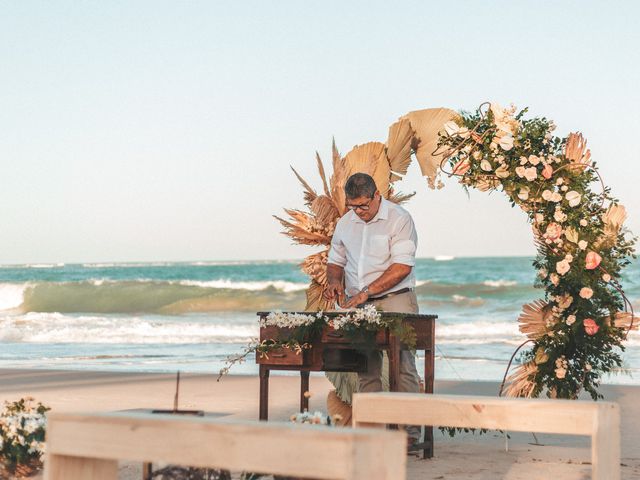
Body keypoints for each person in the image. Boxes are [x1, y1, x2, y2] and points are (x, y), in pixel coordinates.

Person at [323, 172, 421, 446]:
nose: (359, 212)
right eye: (353, 206)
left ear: (377, 196)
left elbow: (402, 266)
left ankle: (408, 435)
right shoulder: (346, 223)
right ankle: (372, 433)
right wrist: (334, 282)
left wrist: (367, 292)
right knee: (365, 367)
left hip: (395, 297)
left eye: (363, 205)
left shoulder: (399, 219)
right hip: (358, 303)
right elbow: (336, 260)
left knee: (403, 366)